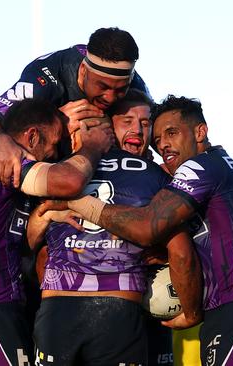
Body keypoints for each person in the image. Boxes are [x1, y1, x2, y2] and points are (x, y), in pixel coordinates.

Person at [43, 95, 233, 365]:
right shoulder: (219, 164)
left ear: (200, 131)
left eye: (172, 133)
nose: (164, 145)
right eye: (158, 139)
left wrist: (75, 200)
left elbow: (147, 226)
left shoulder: (201, 166)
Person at [27, 90, 202, 366]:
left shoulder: (66, 170)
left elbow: (35, 248)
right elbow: (182, 250)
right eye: (127, 121)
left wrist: (47, 214)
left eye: (145, 124)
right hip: (119, 309)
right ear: (108, 127)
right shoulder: (158, 177)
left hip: (56, 311)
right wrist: (192, 310)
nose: (137, 130)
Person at [0, 98, 114, 365]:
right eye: (55, 144)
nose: (56, 155)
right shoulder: (2, 162)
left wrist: (43, 215)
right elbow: (69, 180)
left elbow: (12, 247)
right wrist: (92, 147)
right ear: (32, 136)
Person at [0, 27, 150, 188]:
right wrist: (3, 140)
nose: (110, 98)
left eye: (120, 90)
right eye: (102, 87)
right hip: (50, 167)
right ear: (84, 71)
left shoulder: (136, 85)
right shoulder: (43, 78)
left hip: (101, 165)